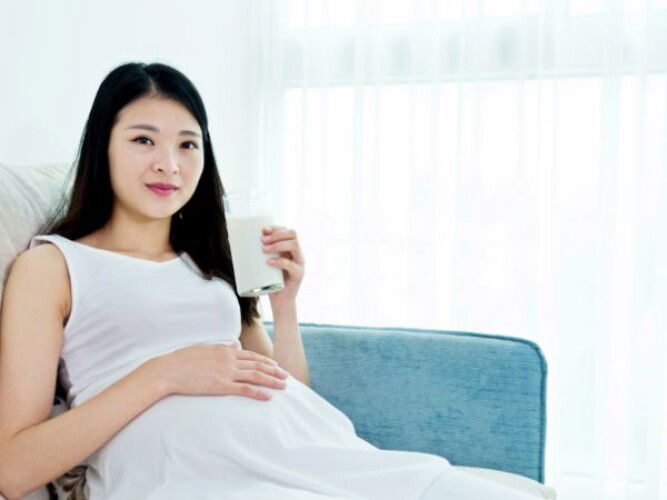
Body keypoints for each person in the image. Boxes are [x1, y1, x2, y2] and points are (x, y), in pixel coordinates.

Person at [0, 62, 538, 500]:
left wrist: (285, 305)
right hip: (186, 477)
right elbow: (14, 468)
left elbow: (284, 392)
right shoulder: (53, 266)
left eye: (188, 144)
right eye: (144, 140)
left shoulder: (211, 260)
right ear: (103, 145)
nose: (169, 164)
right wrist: (164, 374)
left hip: (306, 455)